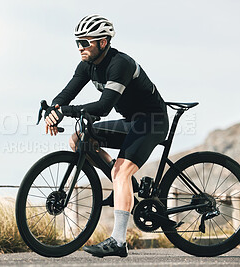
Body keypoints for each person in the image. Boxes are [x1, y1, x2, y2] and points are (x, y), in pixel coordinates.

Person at [44, 14, 169, 258]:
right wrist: (54, 109)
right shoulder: (86, 65)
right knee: (79, 140)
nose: (80, 47)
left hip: (151, 122)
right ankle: (125, 185)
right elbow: (66, 93)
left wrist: (65, 112)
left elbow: (103, 107)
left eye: (85, 42)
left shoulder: (119, 64)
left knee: (121, 171)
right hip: (131, 122)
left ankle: (119, 241)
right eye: (77, 42)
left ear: (103, 42)